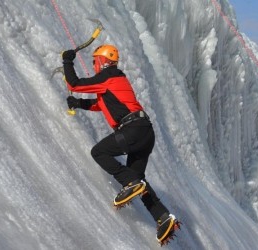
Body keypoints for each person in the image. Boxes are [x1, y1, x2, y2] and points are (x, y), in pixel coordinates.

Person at [61, 45, 179, 244]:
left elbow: (74, 83)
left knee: (99, 152)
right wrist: (78, 104)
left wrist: (67, 61)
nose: (93, 64)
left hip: (133, 129)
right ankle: (163, 216)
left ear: (102, 60)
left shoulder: (109, 74)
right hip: (145, 132)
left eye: (94, 60)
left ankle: (130, 183)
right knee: (137, 178)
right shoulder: (115, 79)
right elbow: (101, 104)